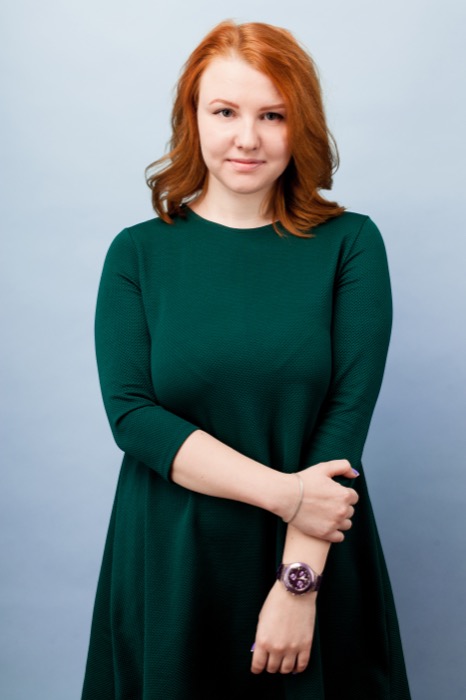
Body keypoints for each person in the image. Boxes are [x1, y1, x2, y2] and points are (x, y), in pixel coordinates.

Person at [81, 20, 411, 700]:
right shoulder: (137, 253)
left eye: (272, 115)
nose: (247, 138)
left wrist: (298, 586)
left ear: (301, 124)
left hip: (313, 560)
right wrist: (288, 496)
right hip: (171, 562)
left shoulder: (351, 244)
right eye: (225, 112)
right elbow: (133, 417)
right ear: (193, 118)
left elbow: (344, 423)